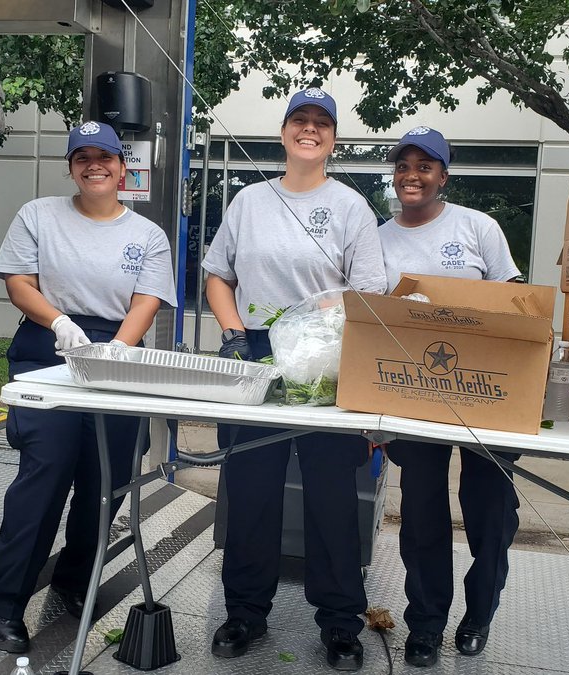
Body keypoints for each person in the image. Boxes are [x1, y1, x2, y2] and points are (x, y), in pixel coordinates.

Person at [0, 121, 177, 653]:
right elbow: (19, 282)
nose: (94, 166)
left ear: (122, 166)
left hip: (118, 354)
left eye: (104, 157)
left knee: (105, 481)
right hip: (49, 347)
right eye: (82, 157)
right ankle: (0, 602)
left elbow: (147, 300)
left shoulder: (147, 235)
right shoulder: (39, 215)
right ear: (71, 168)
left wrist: (117, 350)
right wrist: (59, 322)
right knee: (45, 474)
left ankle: (75, 578)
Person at [202, 87, 387, 671]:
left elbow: (370, 290)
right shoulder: (249, 201)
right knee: (250, 489)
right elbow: (217, 275)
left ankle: (340, 622)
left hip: (325, 358)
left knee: (332, 496)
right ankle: (244, 612)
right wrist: (233, 332)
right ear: (283, 133)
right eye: (299, 120)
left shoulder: (352, 207)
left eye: (321, 123)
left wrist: (319, 324)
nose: (310, 130)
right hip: (257, 352)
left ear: (333, 139)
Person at [377, 126, 522, 667]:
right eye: (403, 166)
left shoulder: (477, 227)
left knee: (491, 511)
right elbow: (369, 318)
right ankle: (425, 624)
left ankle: (479, 614)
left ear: (444, 176)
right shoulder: (377, 238)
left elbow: (513, 301)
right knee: (421, 515)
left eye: (425, 166)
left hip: (484, 391)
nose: (412, 176)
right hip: (410, 393)